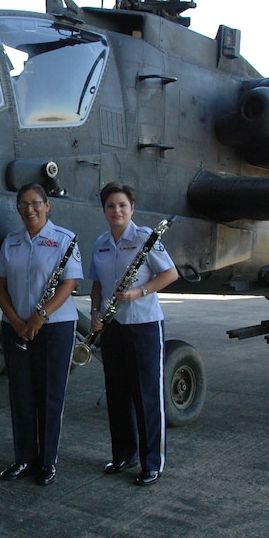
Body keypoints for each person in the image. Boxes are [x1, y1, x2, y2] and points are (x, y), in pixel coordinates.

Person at [88, 182, 179, 486]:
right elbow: (98, 283)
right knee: (117, 394)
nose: (117, 211)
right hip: (112, 327)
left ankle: (152, 462)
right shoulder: (101, 242)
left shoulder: (145, 239)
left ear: (132, 208)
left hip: (143, 324)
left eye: (122, 205)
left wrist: (140, 291)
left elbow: (170, 273)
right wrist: (95, 312)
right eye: (111, 206)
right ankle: (124, 453)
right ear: (104, 210)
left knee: (147, 395)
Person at [0, 183, 82, 486]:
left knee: (50, 394)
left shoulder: (64, 239)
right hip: (16, 325)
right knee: (20, 393)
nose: (28, 210)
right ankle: (23, 458)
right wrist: (17, 321)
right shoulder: (11, 242)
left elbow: (69, 284)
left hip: (54, 326)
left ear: (47, 206)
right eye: (22, 204)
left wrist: (39, 316)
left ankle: (47, 462)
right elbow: (0, 285)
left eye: (35, 203)